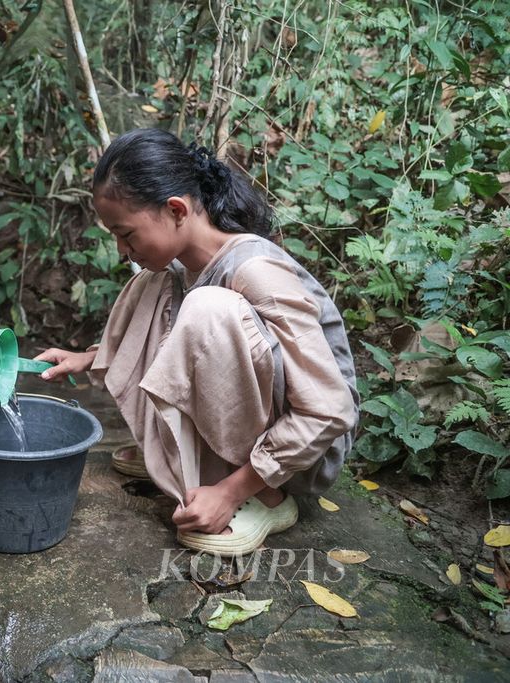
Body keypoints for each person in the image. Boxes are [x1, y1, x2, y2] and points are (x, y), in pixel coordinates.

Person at [36, 128, 358, 555]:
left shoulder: (255, 268)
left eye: (126, 234)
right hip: (265, 416)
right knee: (155, 285)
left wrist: (229, 492)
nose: (121, 250)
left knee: (207, 309)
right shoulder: (179, 269)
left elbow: (329, 409)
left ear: (175, 209)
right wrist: (86, 358)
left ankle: (265, 495)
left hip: (306, 454)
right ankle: (182, 456)